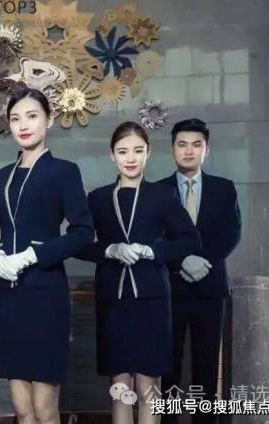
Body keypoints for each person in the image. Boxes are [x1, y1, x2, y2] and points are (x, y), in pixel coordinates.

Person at [0, 88, 94, 424]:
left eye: (32, 116)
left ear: (49, 120)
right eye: (16, 118)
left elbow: (82, 233)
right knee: (22, 409)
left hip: (46, 295)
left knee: (45, 408)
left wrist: (34, 255)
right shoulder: (0, 177)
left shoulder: (64, 171)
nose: (23, 125)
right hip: (7, 298)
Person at [77, 121, 200, 424]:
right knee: (120, 386)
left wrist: (154, 250)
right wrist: (109, 249)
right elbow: (78, 243)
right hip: (113, 301)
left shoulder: (162, 195)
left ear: (148, 153)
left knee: (148, 385)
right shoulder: (98, 198)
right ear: (112, 155)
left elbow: (190, 239)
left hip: (152, 299)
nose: (130, 158)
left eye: (137, 151)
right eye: (122, 151)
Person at [159, 118, 241, 424]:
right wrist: (181, 261)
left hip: (210, 289)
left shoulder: (224, 188)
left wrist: (200, 262)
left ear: (207, 149)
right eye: (182, 144)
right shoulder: (158, 191)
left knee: (206, 367)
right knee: (168, 367)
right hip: (171, 289)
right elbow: (155, 237)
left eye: (196, 145)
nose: (189, 151)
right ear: (172, 149)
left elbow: (231, 233)